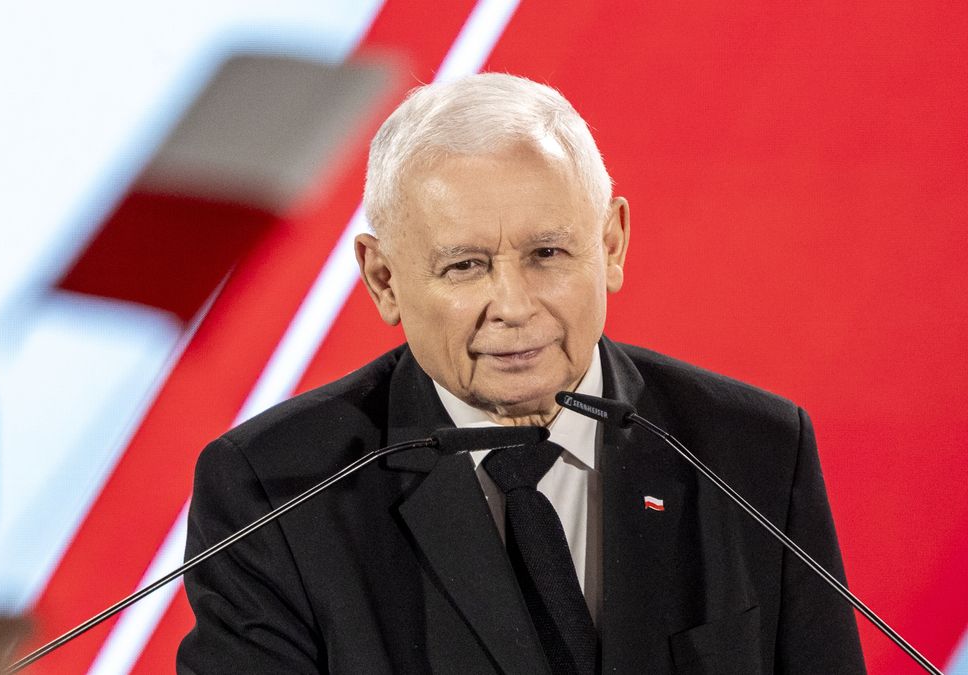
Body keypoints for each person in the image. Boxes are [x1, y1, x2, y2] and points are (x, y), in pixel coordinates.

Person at [177, 73, 865, 674]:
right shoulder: (276, 491)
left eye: (546, 253)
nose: (512, 305)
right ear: (383, 278)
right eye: (465, 265)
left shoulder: (753, 451)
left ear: (611, 244)